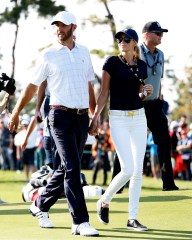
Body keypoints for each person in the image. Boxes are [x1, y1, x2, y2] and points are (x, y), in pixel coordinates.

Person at [8, 11, 99, 237]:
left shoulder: (84, 53)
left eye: (64, 25)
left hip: (81, 118)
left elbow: (89, 85)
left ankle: (40, 204)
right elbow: (32, 86)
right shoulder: (48, 55)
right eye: (56, 25)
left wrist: (94, 115)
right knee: (72, 168)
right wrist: (17, 112)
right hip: (59, 117)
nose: (59, 29)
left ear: (73, 28)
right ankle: (79, 221)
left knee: (64, 168)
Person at [89, 28, 153, 231]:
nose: (121, 41)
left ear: (134, 43)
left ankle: (132, 218)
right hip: (118, 119)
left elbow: (138, 95)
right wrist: (96, 117)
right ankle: (104, 200)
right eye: (119, 39)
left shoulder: (142, 66)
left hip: (139, 118)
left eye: (126, 39)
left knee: (137, 172)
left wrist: (145, 93)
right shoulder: (111, 62)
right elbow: (103, 93)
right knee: (127, 168)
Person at [112, 21, 179, 191]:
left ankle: (168, 184)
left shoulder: (161, 54)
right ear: (147, 35)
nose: (161, 36)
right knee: (126, 144)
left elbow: (159, 81)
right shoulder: (136, 51)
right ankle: (117, 186)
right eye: (158, 33)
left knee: (164, 141)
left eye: (161, 33)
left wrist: (160, 100)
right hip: (137, 104)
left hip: (155, 105)